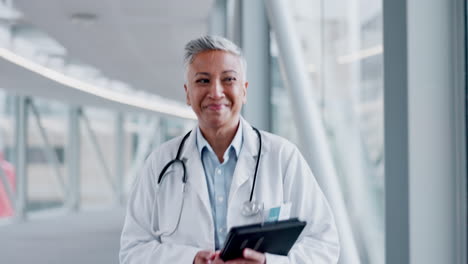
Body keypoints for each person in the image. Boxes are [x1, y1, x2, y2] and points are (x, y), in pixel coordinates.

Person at [120, 35, 340, 264]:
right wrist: (190, 259)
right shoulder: (160, 163)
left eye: (228, 79)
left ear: (244, 91)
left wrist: (268, 263)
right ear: (187, 93)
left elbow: (324, 243)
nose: (216, 92)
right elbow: (132, 250)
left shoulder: (282, 156)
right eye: (203, 81)